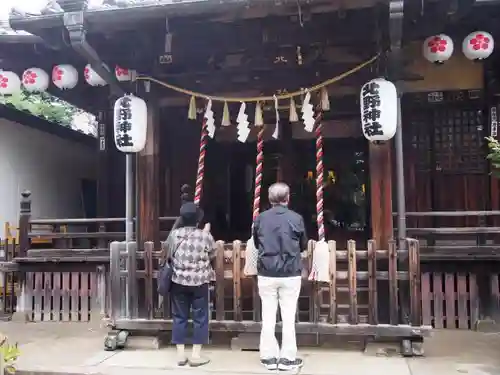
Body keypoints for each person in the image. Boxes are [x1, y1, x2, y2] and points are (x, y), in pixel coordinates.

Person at [252, 182, 307, 371]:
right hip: (290, 272)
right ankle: (287, 358)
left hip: (267, 271)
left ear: (269, 198)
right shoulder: (296, 218)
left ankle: (268, 356)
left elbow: (256, 242)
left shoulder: (260, 219)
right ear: (288, 198)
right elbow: (303, 245)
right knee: (288, 316)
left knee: (268, 315)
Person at [166, 202, 215, 367]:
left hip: (178, 280)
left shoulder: (174, 235)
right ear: (197, 219)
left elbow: (168, 253)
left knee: (179, 317)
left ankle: (180, 355)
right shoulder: (205, 236)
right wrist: (205, 233)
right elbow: (213, 253)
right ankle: (195, 355)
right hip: (199, 281)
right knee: (200, 317)